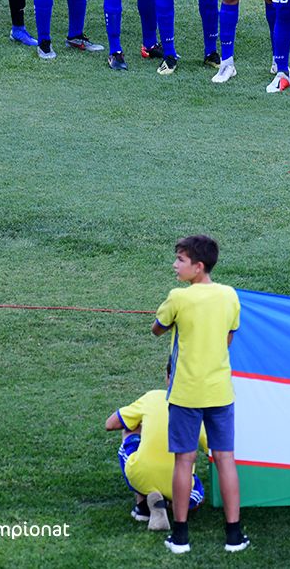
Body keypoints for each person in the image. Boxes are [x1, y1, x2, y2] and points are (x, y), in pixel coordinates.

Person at [151, 234, 247, 554]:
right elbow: (229, 335)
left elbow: (157, 327)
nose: (175, 265)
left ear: (198, 267)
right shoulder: (230, 295)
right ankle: (234, 536)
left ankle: (180, 537)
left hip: (185, 394)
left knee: (184, 460)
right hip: (220, 391)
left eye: (180, 260)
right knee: (225, 459)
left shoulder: (178, 297)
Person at [105, 359, 207, 532]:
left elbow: (110, 424)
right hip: (179, 482)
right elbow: (214, 450)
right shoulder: (199, 410)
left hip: (142, 474)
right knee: (197, 496)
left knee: (130, 429)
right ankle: (168, 503)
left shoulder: (152, 397)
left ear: (168, 377)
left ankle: (143, 506)